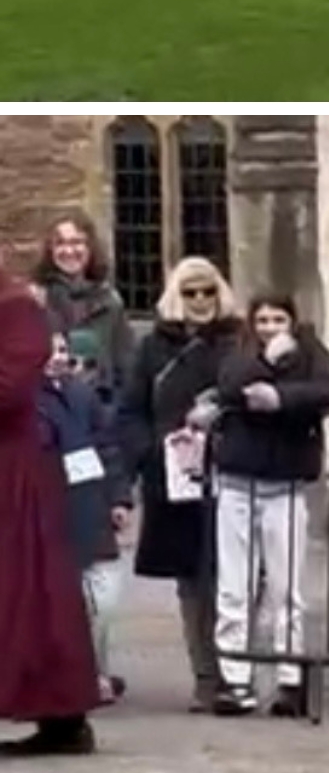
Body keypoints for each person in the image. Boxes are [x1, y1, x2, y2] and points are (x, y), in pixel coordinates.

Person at [211, 292, 329, 717]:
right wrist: (265, 361)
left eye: (278, 319)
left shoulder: (310, 352)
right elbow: (230, 386)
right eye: (263, 320)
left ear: (292, 321)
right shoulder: (240, 352)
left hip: (285, 482)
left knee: (287, 588)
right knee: (235, 586)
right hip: (238, 481)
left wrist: (281, 397)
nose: (270, 327)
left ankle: (290, 677)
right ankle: (235, 676)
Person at [118, 257, 242, 713]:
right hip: (175, 475)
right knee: (193, 580)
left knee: (235, 577)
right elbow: (132, 409)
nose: (201, 300)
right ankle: (207, 677)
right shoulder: (153, 347)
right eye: (191, 292)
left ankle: (238, 673)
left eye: (208, 290)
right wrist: (148, 452)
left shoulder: (238, 341)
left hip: (232, 469)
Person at [0, 251, 102, 761]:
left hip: (13, 472)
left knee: (32, 595)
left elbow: (9, 386)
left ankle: (63, 716)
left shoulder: (16, 308)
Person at [37, 326, 130, 709]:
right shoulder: (21, 399)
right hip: (46, 511)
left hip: (90, 505)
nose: (57, 357)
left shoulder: (81, 395)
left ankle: (95, 672)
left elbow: (107, 447)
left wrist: (119, 498)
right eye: (49, 350)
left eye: (62, 350)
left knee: (103, 600)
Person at [31, 214, 133, 406]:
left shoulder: (110, 302)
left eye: (76, 242)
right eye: (60, 243)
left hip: (100, 405)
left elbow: (125, 367)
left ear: (90, 248)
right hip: (49, 406)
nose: (69, 251)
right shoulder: (35, 300)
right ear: (50, 250)